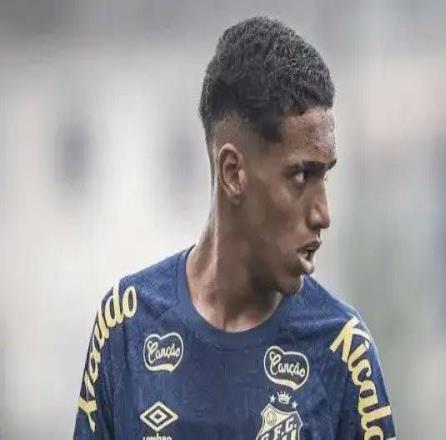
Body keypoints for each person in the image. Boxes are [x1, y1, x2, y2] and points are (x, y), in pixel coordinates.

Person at [74, 16, 396, 440]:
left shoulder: (343, 352)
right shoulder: (126, 325)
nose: (323, 213)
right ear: (233, 172)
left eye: (325, 176)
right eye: (302, 176)